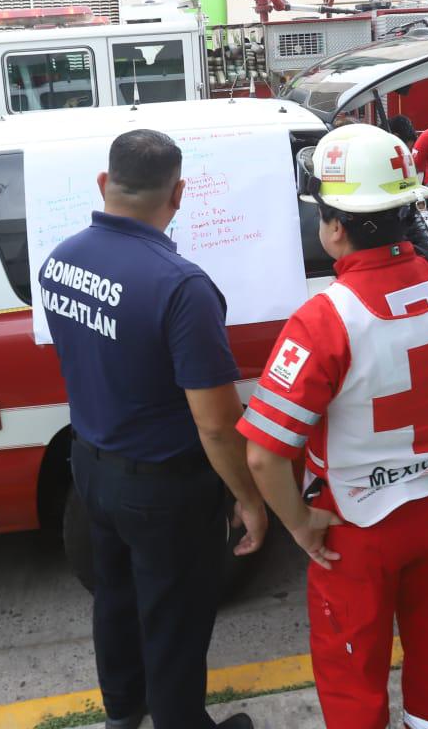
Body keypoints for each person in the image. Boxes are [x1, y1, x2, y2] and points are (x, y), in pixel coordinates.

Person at [238, 123, 428, 729]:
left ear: (334, 225)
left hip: (355, 525)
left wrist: (300, 527)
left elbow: (263, 455)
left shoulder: (324, 319)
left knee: (353, 676)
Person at [42, 128, 264, 729]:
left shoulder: (59, 261)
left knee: (114, 600)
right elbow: (217, 426)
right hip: (165, 488)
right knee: (175, 618)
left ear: (103, 184)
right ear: (180, 193)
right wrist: (249, 498)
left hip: (91, 468)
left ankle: (122, 714)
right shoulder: (182, 287)